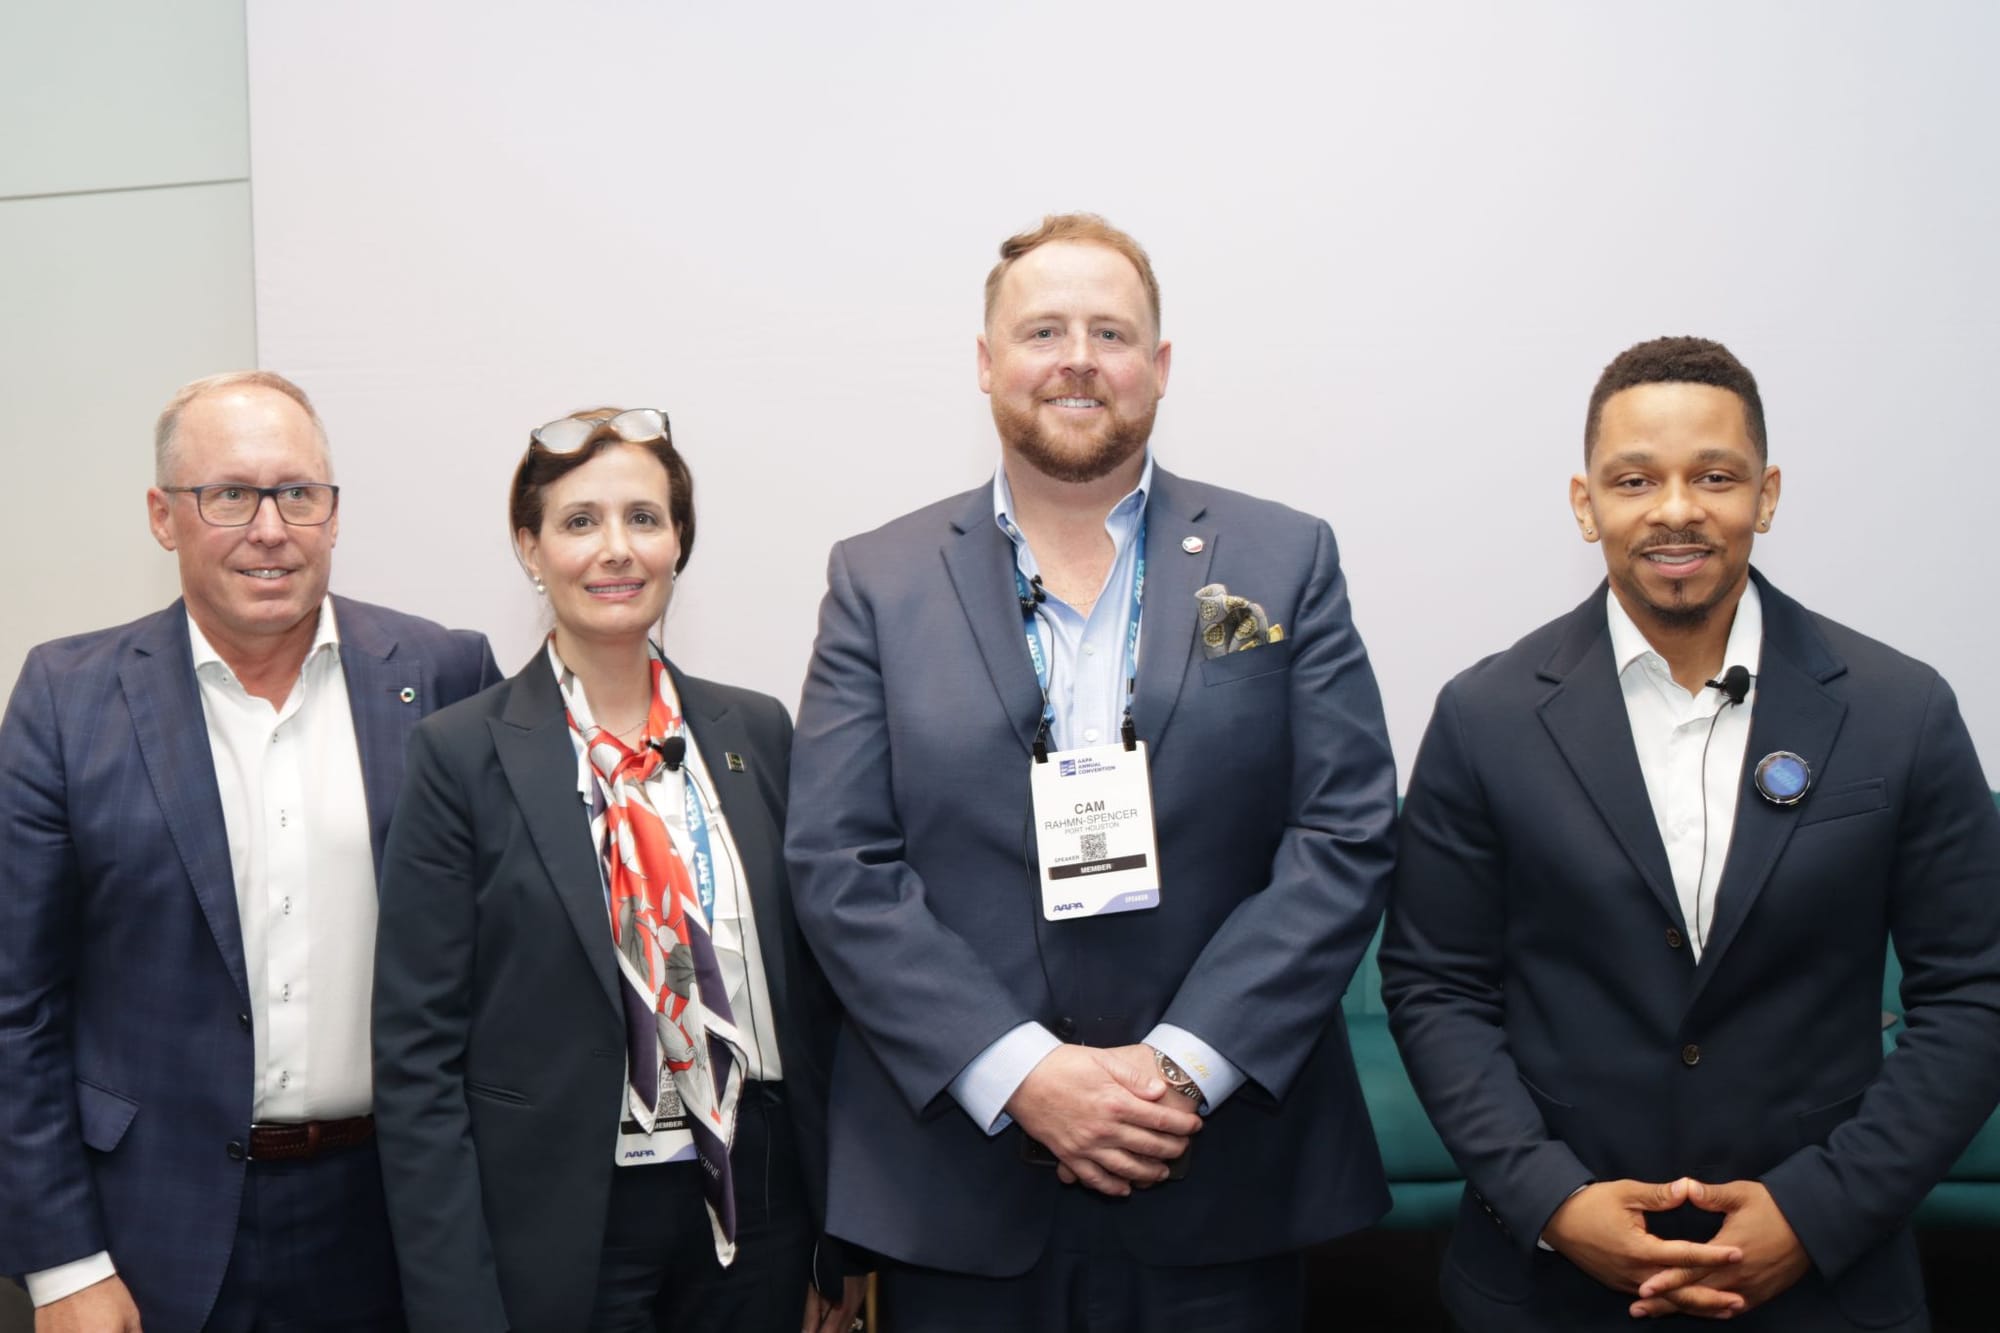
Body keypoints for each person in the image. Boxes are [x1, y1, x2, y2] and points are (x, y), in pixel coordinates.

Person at [785, 214, 1398, 1330]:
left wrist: (1181, 1068)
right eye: (1043, 331)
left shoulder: (1283, 558)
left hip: (1219, 1174)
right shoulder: (877, 579)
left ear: (1157, 366)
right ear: (987, 363)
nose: (1077, 359)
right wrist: (1020, 1072)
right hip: (958, 1188)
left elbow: (1343, 832)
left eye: (1109, 333)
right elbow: (838, 861)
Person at [1380, 336, 2000, 1330]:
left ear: (1766, 494)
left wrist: (1817, 1210)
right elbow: (1434, 985)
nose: (1675, 509)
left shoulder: (1902, 709)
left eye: (1714, 476)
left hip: (1827, 1287)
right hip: (1549, 1288)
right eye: (1635, 479)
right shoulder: (1482, 717)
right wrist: (1553, 1200)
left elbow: (1975, 990)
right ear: (1585, 504)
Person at [0, 371, 501, 1332]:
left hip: (396, 1220)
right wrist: (61, 1264)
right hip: (146, 1230)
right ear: (163, 516)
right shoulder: (67, 698)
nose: (270, 529)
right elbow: (18, 1004)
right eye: (229, 494)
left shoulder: (444, 674)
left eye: (297, 493)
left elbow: (509, 963)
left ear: (334, 513)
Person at [371, 408, 865, 1333]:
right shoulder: (459, 754)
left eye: (644, 518)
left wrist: (834, 1241)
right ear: (530, 547)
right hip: (566, 1219)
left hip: (756, 1201)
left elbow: (819, 1001)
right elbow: (416, 1060)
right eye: (579, 521)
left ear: (679, 543)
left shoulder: (757, 732)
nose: (616, 549)